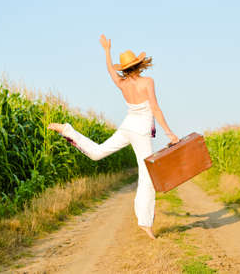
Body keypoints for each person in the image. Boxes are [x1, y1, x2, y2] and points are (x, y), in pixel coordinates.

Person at [48, 34, 179, 239]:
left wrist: (107, 50)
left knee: (97, 153)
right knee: (147, 178)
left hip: (127, 127)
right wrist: (169, 132)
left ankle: (67, 130)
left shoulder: (122, 83)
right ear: (139, 65)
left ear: (125, 69)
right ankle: (145, 223)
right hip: (141, 132)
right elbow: (155, 108)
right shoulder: (147, 82)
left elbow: (110, 70)